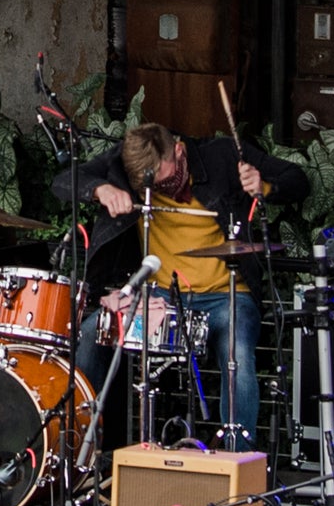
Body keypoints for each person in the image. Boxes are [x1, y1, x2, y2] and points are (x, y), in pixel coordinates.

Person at [69, 123, 307, 451]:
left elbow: (299, 180)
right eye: (149, 186)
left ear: (179, 151)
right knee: (92, 332)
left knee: (237, 352)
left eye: (165, 180)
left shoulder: (224, 154)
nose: (160, 190)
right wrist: (100, 189)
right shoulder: (125, 163)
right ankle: (84, 452)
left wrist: (264, 187)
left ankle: (239, 463)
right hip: (160, 296)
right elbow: (65, 180)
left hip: (226, 294)